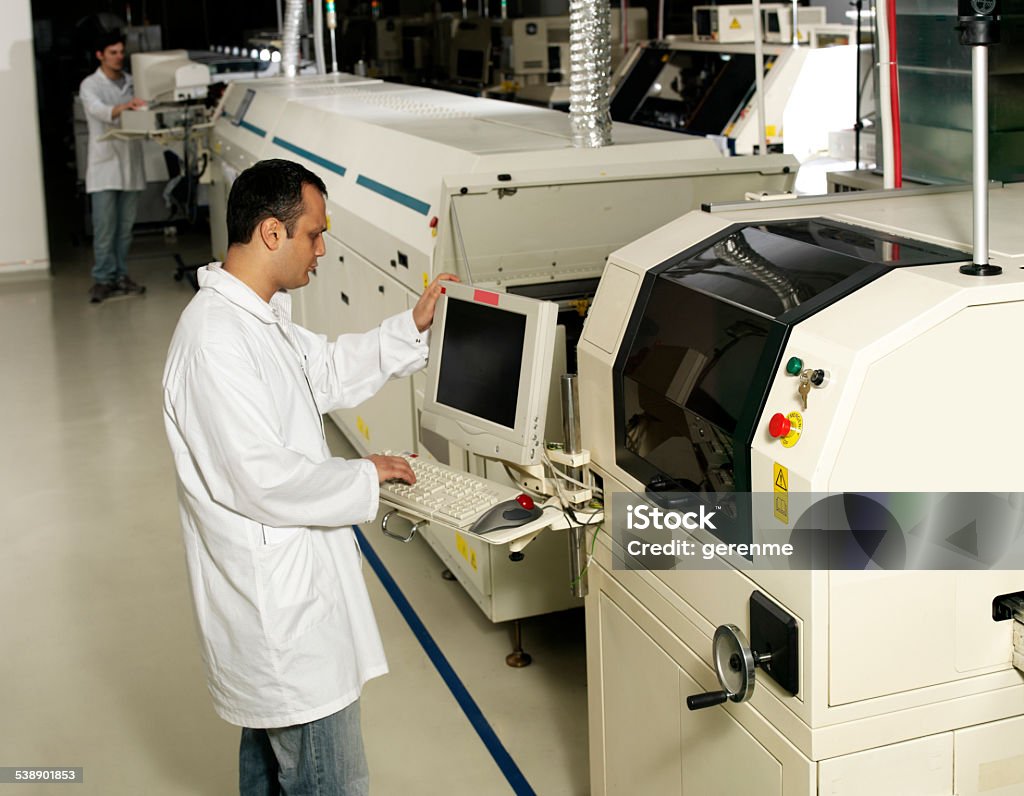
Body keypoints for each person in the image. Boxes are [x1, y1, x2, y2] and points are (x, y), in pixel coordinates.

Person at [162, 158, 458, 795]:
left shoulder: (258, 319)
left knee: (274, 773)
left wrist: (411, 325)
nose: (322, 250)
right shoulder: (215, 341)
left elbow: (322, 370)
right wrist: (365, 475)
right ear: (272, 233)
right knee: (329, 782)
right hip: (283, 623)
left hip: (290, 607)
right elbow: (259, 479)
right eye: (314, 234)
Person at [79, 30, 147, 303]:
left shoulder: (133, 82)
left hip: (130, 165)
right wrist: (126, 106)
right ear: (100, 55)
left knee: (125, 229)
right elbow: (100, 111)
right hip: (104, 168)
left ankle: (120, 274)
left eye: (121, 52)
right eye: (113, 53)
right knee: (105, 228)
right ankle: (102, 279)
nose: (119, 57)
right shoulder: (90, 85)